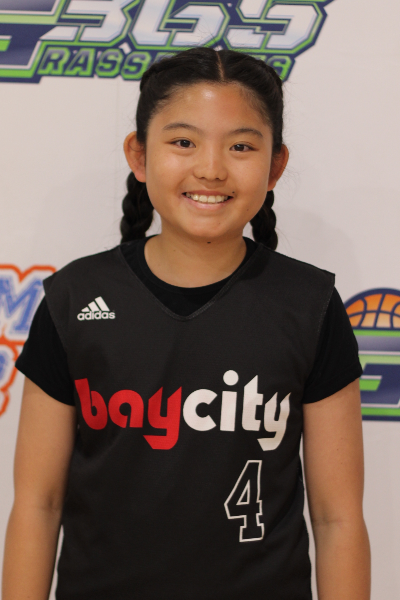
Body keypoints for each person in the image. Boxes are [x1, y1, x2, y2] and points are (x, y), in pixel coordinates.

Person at [2, 47, 370, 600]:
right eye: (183, 142)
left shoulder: (309, 305)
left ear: (275, 166)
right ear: (139, 155)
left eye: (241, 146)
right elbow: (38, 504)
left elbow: (337, 518)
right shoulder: (73, 297)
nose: (211, 168)